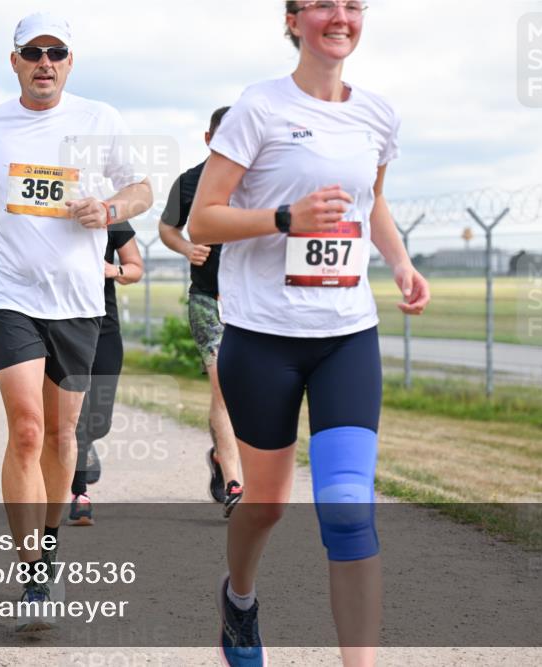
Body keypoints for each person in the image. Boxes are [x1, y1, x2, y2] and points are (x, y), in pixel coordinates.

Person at [189, 3, 431, 665]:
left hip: (346, 334)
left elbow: (370, 200)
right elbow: (204, 220)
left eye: (353, 4)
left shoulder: (377, 114)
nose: (341, 15)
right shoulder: (257, 109)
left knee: (350, 509)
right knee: (266, 505)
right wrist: (283, 217)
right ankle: (239, 599)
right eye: (324, 3)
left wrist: (401, 263)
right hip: (263, 337)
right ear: (294, 19)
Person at [0, 11, 152, 631]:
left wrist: (109, 207)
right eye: (32, 52)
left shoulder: (99, 119)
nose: (44, 62)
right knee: (29, 431)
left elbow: (140, 189)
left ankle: (49, 546)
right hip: (10, 295)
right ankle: (30, 571)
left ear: (69, 61)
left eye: (55, 52)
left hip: (80, 300)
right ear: (14, 61)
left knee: (64, 439)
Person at [160, 106, 244, 518]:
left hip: (253, 302)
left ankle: (219, 457)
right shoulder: (190, 182)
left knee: (255, 395)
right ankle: (234, 481)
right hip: (208, 298)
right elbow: (166, 228)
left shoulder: (260, 179)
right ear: (208, 139)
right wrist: (185, 248)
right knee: (222, 388)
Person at [67, 222, 143, 526]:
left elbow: (135, 267)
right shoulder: (54, 216)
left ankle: (86, 444)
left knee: (99, 422)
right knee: (76, 418)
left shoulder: (114, 219)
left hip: (105, 330)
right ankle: (79, 494)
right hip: (65, 327)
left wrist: (114, 271)